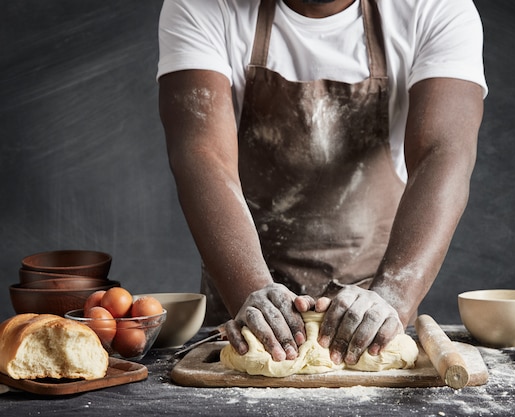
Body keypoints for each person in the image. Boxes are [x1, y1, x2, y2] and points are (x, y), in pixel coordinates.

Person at [157, 0, 487, 366]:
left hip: (368, 311)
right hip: (245, 302)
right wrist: (251, 292)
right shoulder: (203, 5)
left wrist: (393, 297)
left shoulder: (434, 7)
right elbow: (203, 158)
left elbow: (442, 155)